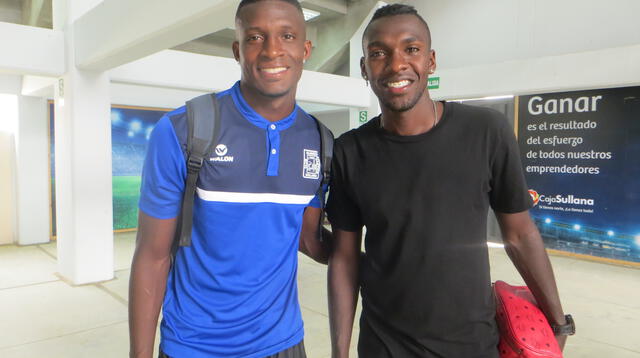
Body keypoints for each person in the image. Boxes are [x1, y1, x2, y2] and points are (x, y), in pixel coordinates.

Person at [326, 4, 572, 358]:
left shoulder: (486, 131)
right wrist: (339, 352)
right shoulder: (350, 150)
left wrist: (557, 320)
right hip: (383, 346)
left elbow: (519, 234)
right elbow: (345, 258)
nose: (397, 64)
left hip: (472, 344)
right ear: (364, 68)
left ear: (431, 61)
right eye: (379, 53)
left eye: (411, 49)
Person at [128, 1, 330, 357]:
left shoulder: (319, 140)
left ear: (305, 49)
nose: (272, 50)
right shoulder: (184, 130)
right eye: (255, 37)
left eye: (287, 36)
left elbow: (308, 239)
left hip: (283, 344)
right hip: (194, 346)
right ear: (237, 50)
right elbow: (152, 257)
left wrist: (385, 256)